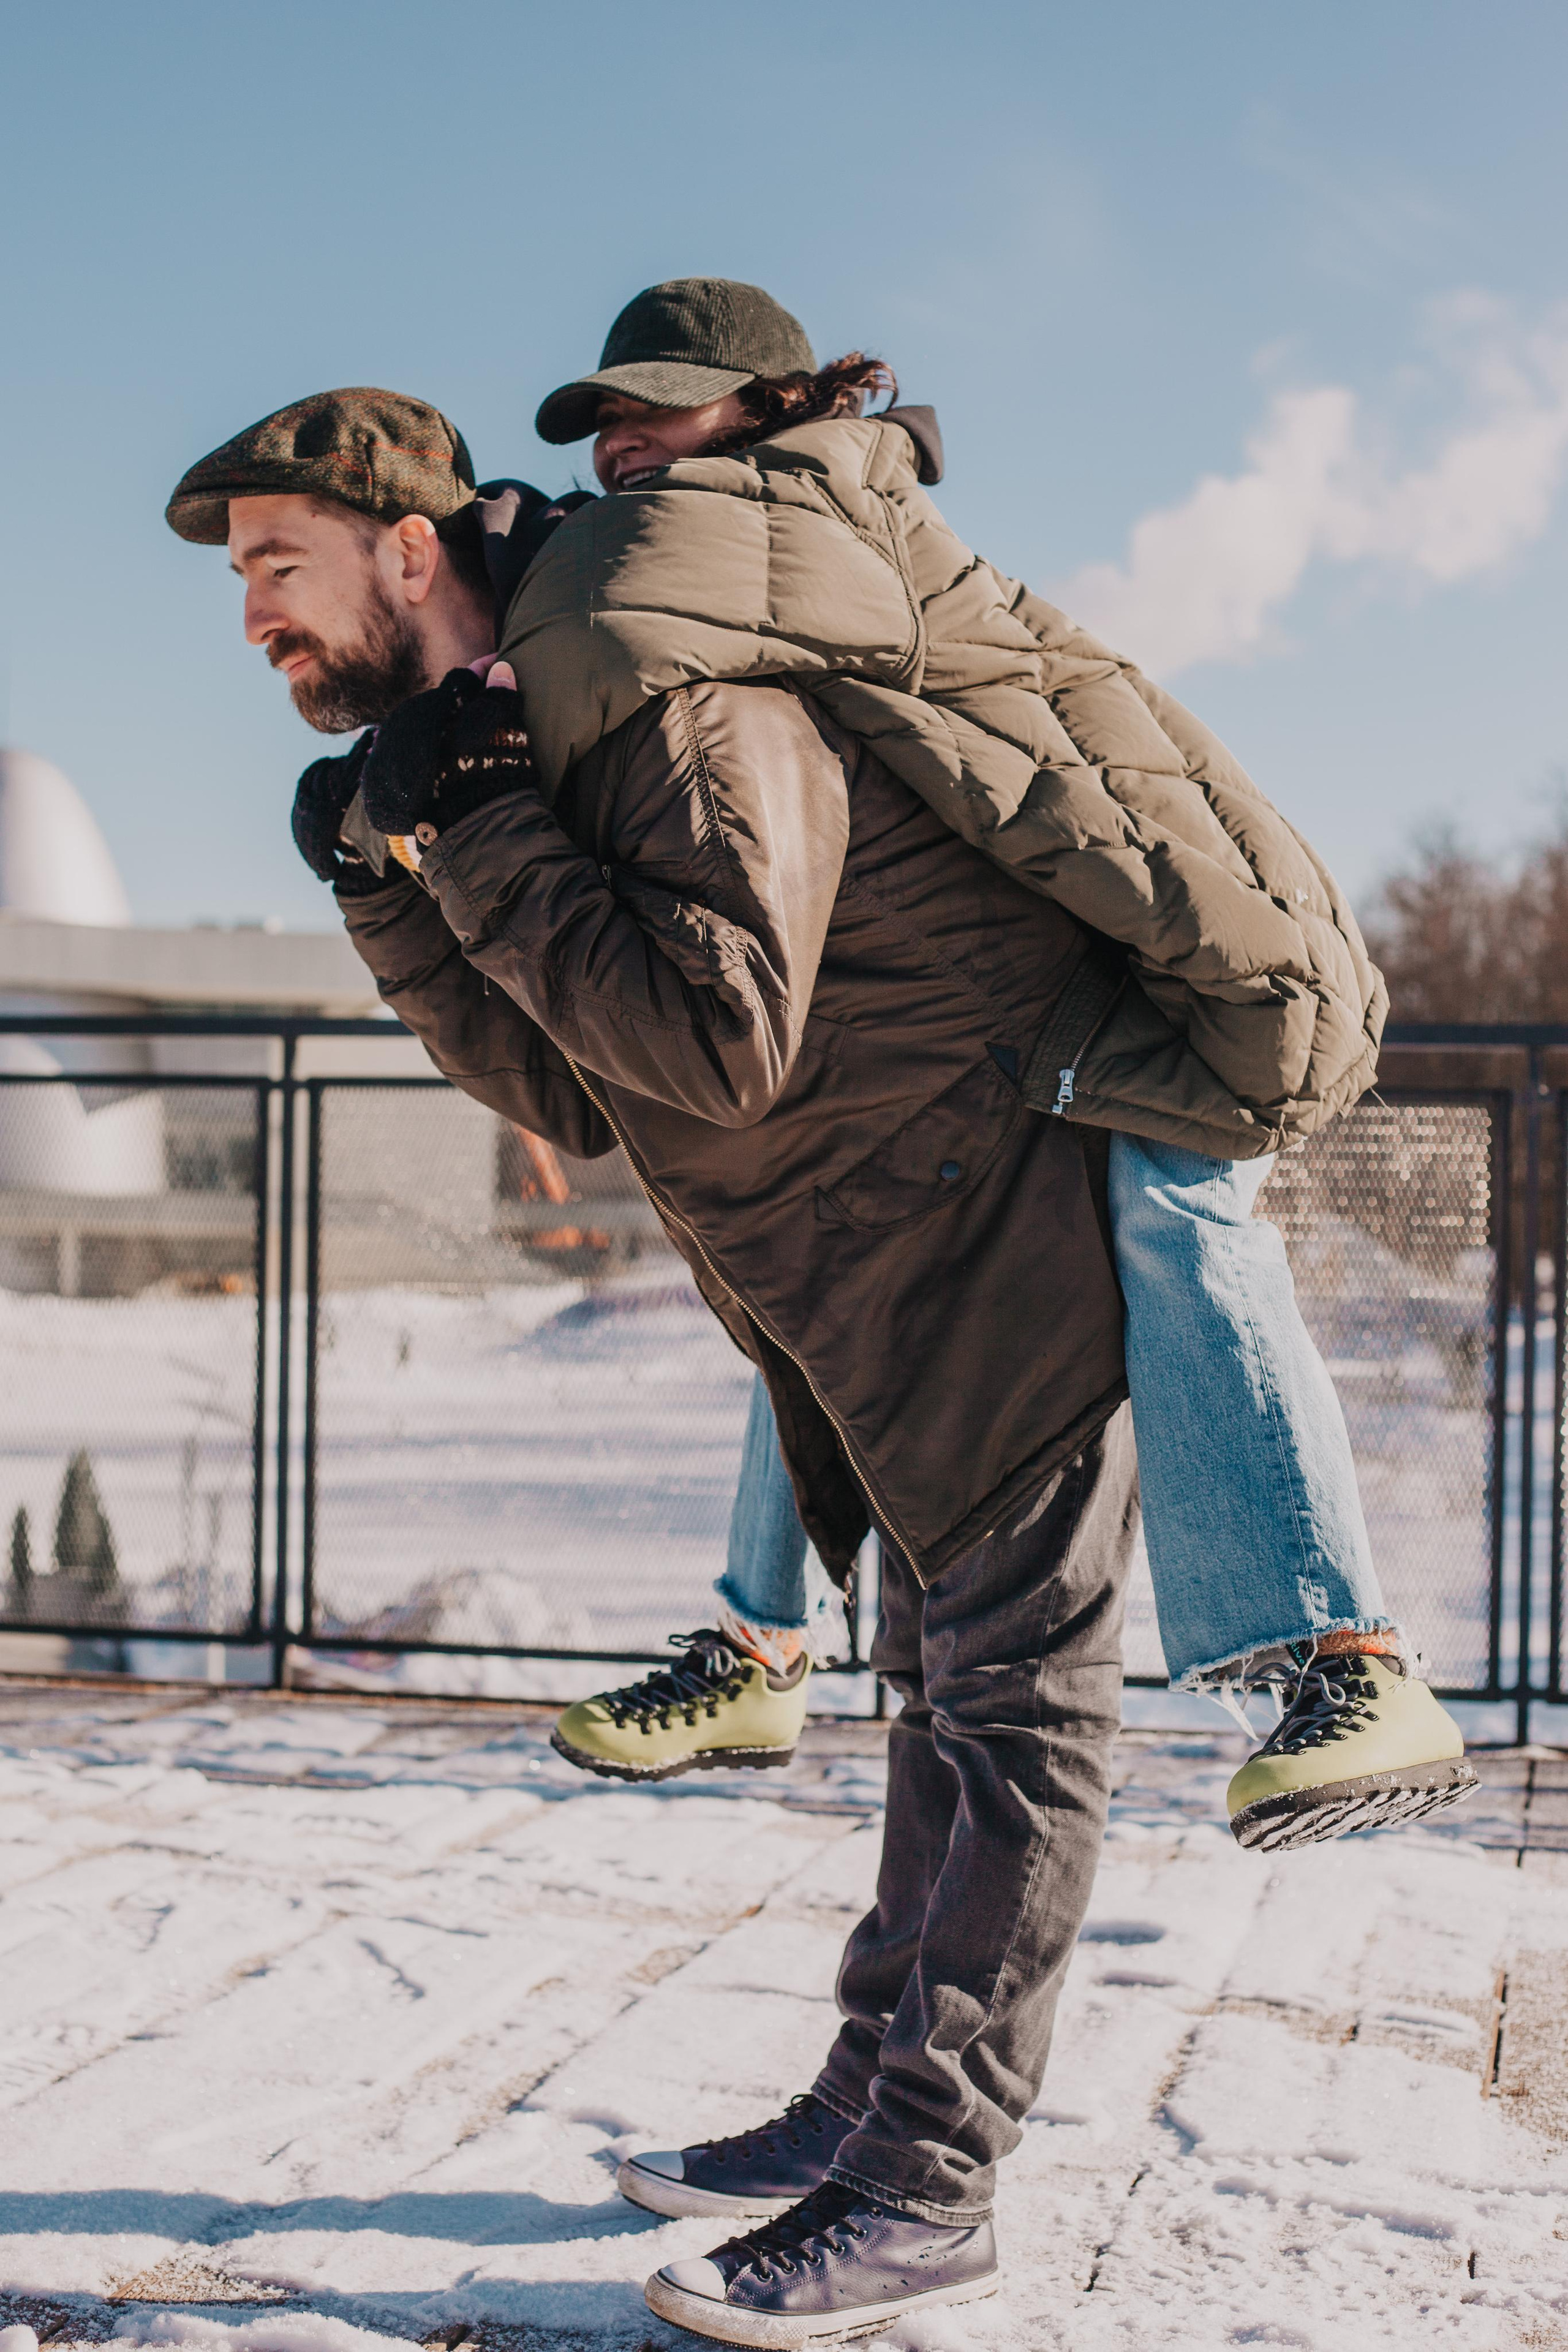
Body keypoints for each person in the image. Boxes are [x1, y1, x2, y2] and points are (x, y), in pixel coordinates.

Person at [173, 383, 1145, 2342]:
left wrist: (472, 823)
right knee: (937, 1705)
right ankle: (871, 2105)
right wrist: (396, 888)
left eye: (280, 561)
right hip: (865, 1276)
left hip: (1003, 1233)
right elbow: (572, 1086)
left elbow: (715, 1041)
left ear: (411, 551)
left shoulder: (659, 683)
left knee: (1016, 1714)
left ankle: (930, 2183)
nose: (254, 610)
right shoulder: (522, 720)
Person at [508, 280, 1475, 1861]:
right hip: (1032, 994)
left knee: (1184, 1213)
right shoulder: (760, 530)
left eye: (656, 406)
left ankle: (1352, 1655)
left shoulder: (793, 516)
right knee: (821, 1250)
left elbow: (618, 598)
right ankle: (762, 1641)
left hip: (1150, 983)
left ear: (773, 407)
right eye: (602, 418)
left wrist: (491, 556)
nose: (621, 441)